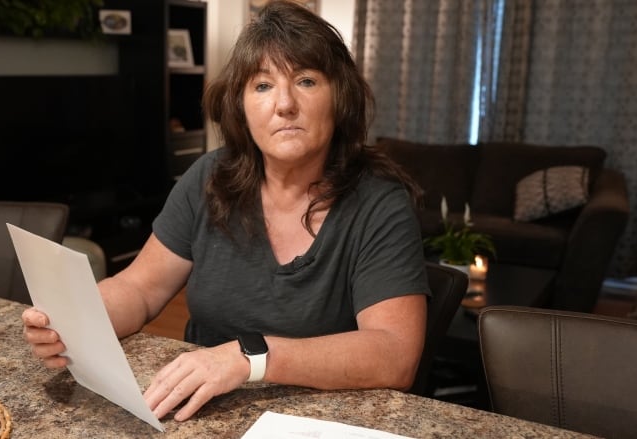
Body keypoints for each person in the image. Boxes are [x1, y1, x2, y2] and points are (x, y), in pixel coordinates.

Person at [22, 0, 429, 422]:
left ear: (339, 98)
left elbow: (394, 354)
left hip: (320, 422)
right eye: (262, 85)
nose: (284, 104)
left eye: (306, 80)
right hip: (201, 411)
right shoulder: (208, 177)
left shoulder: (380, 202)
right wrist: (74, 320)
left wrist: (248, 358)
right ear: (241, 106)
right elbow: (140, 290)